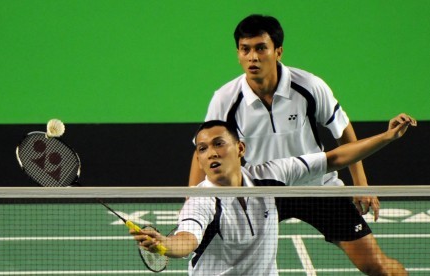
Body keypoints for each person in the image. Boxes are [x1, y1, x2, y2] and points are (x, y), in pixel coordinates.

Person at [188, 14, 408, 275]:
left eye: (261, 48)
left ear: (278, 51)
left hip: (316, 186)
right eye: (245, 50)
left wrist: (361, 184)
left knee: (377, 266)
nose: (253, 57)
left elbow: (342, 131)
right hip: (262, 196)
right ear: (238, 53)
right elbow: (202, 149)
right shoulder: (225, 99)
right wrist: (194, 200)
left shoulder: (309, 86)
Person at [132, 114, 416, 276]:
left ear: (240, 149)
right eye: (202, 149)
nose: (211, 153)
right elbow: (187, 240)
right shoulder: (202, 199)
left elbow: (334, 158)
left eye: (219, 144)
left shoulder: (270, 175)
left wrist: (386, 138)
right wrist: (165, 244)